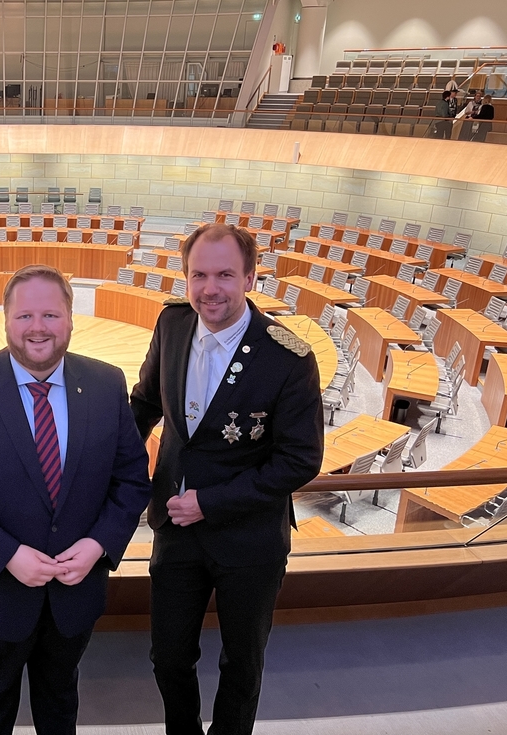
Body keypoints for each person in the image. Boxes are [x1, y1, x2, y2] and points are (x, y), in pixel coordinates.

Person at [0, 264, 152, 735]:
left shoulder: (106, 384)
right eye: (24, 316)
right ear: (4, 320)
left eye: (50, 314)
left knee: (61, 693)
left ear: (70, 319)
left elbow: (130, 480)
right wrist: (6, 555)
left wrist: (98, 545)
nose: (38, 328)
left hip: (76, 586)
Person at [130, 223, 324, 735]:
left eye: (224, 274)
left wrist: (210, 503)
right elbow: (145, 403)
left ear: (251, 278)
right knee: (168, 657)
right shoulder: (172, 325)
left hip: (250, 537)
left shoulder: (290, 358)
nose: (209, 288)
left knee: (242, 665)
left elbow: (300, 460)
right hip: (175, 530)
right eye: (198, 274)